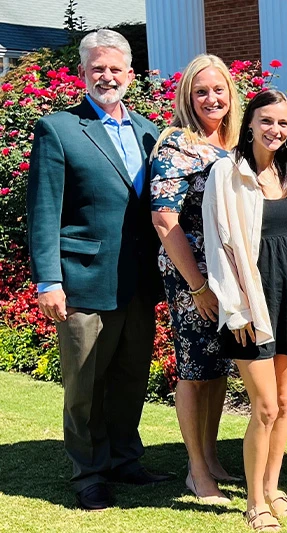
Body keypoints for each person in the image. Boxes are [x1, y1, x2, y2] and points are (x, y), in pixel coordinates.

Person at [26, 29, 170, 511]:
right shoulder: (59, 129)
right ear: (82, 73)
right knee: (85, 384)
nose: (107, 76)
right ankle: (89, 472)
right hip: (83, 278)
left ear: (131, 74)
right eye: (97, 68)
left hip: (138, 281)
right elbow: (45, 210)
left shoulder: (150, 130)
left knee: (131, 377)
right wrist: (49, 280)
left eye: (115, 68)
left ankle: (125, 459)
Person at [203, 90, 287, 532]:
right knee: (265, 407)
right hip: (251, 302)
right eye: (266, 120)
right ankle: (255, 503)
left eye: (283, 123)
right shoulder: (227, 172)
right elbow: (218, 246)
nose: (275, 129)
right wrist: (236, 310)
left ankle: (273, 489)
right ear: (249, 122)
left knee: (285, 403)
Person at [150, 54, 242, 505]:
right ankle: (197, 472)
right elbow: (164, 219)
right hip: (192, 276)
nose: (211, 98)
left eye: (218, 89)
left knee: (218, 367)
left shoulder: (233, 143)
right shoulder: (177, 145)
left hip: (228, 274)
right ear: (187, 96)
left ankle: (210, 456)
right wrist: (198, 286)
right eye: (201, 91)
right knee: (193, 369)